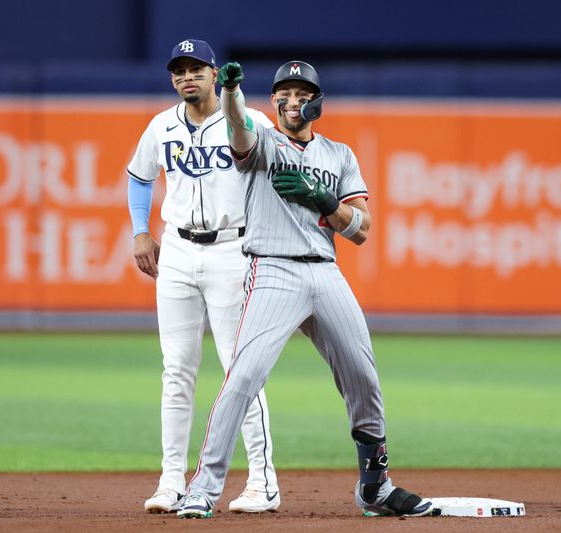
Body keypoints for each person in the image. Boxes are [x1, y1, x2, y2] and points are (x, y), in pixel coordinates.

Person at [176, 60, 434, 519]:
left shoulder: (339, 155)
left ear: (316, 102)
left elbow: (361, 230)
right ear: (272, 101)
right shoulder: (262, 141)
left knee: (363, 377)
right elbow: (237, 131)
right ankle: (203, 488)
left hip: (325, 271)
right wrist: (232, 91)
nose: (291, 101)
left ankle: (375, 487)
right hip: (273, 268)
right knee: (243, 377)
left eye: (301, 93)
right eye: (283, 93)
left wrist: (325, 200)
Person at [126, 39, 280, 514]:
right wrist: (140, 231)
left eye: (196, 69)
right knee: (176, 371)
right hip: (175, 249)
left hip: (233, 249)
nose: (187, 77)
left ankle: (262, 481)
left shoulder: (249, 121)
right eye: (179, 71)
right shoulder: (161, 125)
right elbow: (139, 175)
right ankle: (172, 480)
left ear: (216, 74)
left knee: (240, 368)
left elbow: (278, 171)